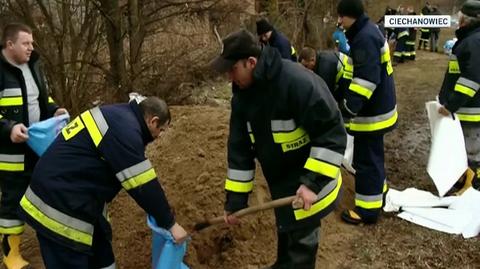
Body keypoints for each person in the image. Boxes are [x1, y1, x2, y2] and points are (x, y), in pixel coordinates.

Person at [210, 29, 346, 269]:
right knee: (289, 240)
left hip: (310, 186)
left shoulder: (297, 82)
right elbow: (240, 152)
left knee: (300, 252)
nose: (229, 77)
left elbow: (331, 133)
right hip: (284, 186)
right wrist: (235, 203)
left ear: (251, 62)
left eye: (233, 69)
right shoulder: (242, 97)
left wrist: (312, 183)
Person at [19, 96, 188, 268]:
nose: (160, 136)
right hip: (58, 204)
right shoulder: (125, 132)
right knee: (69, 258)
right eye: (162, 130)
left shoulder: (118, 116)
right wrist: (170, 224)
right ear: (153, 121)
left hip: (76, 194)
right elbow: (143, 185)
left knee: (103, 256)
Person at [0, 23, 67, 269]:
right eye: (26, 43)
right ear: (9, 45)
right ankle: (11, 255)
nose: (31, 47)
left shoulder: (34, 65)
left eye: (32, 43)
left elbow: (42, 98)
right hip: (10, 154)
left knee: (45, 195)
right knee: (12, 202)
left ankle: (50, 245)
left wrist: (55, 109)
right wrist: (9, 129)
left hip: (38, 148)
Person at [336, 0, 397, 225]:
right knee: (373, 155)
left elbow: (366, 80)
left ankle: (367, 211)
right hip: (377, 109)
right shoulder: (367, 31)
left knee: (366, 160)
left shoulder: (364, 39)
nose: (339, 21)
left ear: (351, 15)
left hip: (371, 114)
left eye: (341, 16)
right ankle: (379, 192)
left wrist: (348, 108)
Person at [438, 0, 480, 192]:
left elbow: (471, 79)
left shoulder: (473, 42)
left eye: (460, 15)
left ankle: (473, 193)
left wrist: (451, 105)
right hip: (468, 108)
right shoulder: (470, 39)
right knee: (465, 152)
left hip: (472, 111)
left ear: (466, 19)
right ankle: (466, 184)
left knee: (473, 154)